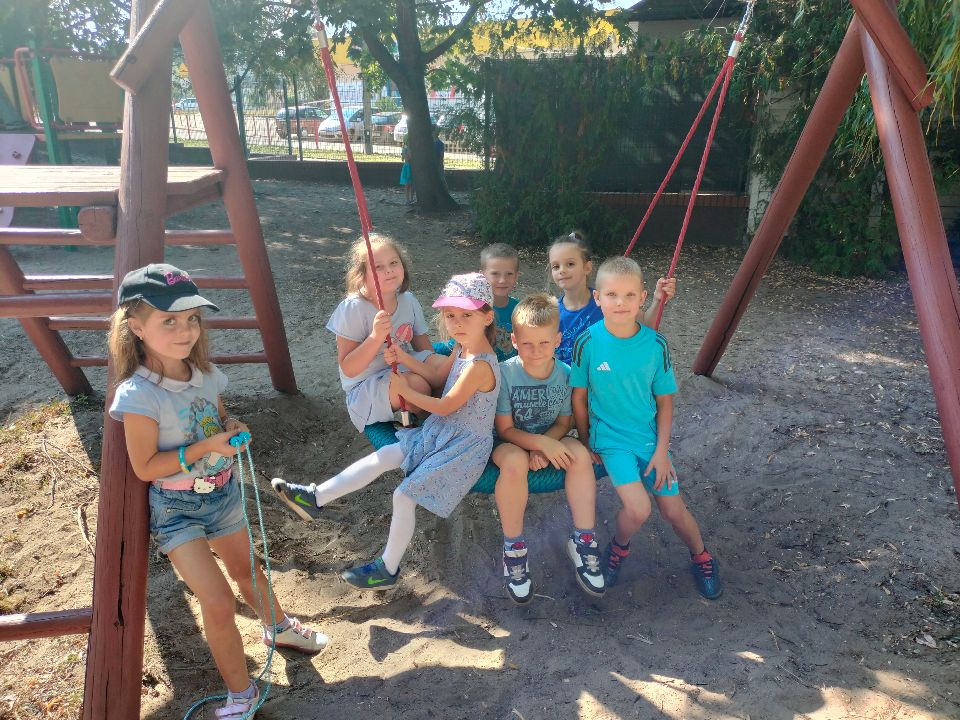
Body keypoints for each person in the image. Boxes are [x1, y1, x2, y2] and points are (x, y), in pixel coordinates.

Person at [106, 264, 327, 720]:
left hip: (223, 494)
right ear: (136, 327)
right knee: (219, 600)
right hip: (178, 509)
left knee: (249, 571)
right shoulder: (138, 394)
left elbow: (220, 416)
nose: (185, 330)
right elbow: (145, 466)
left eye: (192, 318)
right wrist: (207, 446)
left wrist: (232, 426)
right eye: (169, 320)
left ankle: (279, 627)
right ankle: (241, 693)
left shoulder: (203, 373)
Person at [272, 273, 500, 589]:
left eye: (466, 315)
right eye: (450, 315)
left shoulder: (479, 365)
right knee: (386, 455)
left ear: (487, 317)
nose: (457, 323)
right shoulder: (462, 348)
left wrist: (405, 389)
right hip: (441, 432)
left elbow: (447, 405)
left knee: (403, 496)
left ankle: (387, 569)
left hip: (461, 445)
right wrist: (404, 358)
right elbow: (437, 376)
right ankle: (315, 497)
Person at [570, 256, 722, 599]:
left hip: (649, 440)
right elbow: (578, 397)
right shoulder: (587, 342)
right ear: (597, 298)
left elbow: (665, 402)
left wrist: (662, 452)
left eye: (628, 295)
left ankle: (702, 556)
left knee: (672, 508)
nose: (620, 303)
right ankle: (618, 548)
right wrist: (585, 440)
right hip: (610, 440)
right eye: (611, 295)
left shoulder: (656, 345)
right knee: (639, 508)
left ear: (642, 298)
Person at [493, 293, 602, 604]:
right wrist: (539, 444)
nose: (536, 351)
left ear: (557, 340)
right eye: (527, 344)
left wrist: (547, 445)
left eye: (544, 343)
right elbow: (505, 429)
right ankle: (514, 548)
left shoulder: (565, 374)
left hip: (551, 435)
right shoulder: (505, 374)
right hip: (509, 442)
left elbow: (564, 421)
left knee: (578, 455)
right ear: (514, 341)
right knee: (514, 462)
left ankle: (583, 539)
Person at [327, 234, 447, 431]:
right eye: (378, 267)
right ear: (361, 275)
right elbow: (349, 368)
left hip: (403, 365)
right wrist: (375, 337)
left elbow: (425, 349)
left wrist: (436, 373)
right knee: (418, 386)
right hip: (366, 385)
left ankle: (444, 413)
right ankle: (425, 423)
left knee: (444, 366)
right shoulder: (353, 309)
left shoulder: (408, 300)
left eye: (393, 263)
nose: (389, 270)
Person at [548, 231, 676, 366]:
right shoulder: (552, 313)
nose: (562, 270)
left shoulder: (606, 301)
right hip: (568, 377)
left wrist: (658, 300)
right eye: (556, 266)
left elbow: (647, 325)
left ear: (587, 267)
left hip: (605, 375)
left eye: (570, 264)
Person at [437, 242, 521, 362]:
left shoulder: (520, 310)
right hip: (479, 367)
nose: (502, 280)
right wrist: (428, 352)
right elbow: (454, 344)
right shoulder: (474, 309)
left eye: (509, 274)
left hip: (511, 371)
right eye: (495, 274)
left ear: (517, 276)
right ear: (482, 276)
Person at [400, 138, 414, 205]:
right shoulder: (405, 149)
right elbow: (406, 158)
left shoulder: (410, 149)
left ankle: (411, 199)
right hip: (407, 166)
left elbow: (407, 157)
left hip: (411, 167)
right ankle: (407, 200)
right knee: (407, 184)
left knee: (412, 184)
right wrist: (404, 153)